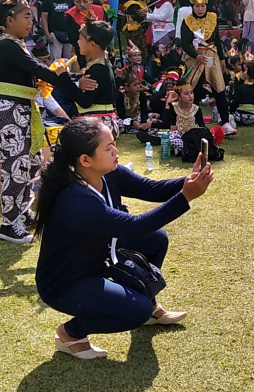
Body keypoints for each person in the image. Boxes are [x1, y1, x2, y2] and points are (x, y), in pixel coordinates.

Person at [35, 117, 214, 359]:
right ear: (85, 160)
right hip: (66, 284)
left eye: (114, 143)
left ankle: (148, 303)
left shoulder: (109, 173)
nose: (116, 151)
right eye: (108, 148)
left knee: (156, 239)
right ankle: (71, 333)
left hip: (97, 258)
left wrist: (188, 181)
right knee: (135, 312)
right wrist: (185, 197)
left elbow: (152, 189)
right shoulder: (74, 199)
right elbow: (135, 226)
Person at [0, 0, 76, 244]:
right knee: (15, 165)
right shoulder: (6, 46)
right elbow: (39, 71)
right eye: (26, 16)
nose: (31, 22)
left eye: (31, 17)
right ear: (9, 20)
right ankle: (8, 222)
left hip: (23, 110)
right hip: (8, 111)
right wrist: (64, 75)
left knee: (32, 164)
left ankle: (20, 213)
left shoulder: (17, 45)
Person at [180, 0, 236, 137]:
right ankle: (198, 123)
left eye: (203, 6)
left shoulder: (212, 17)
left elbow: (217, 39)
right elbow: (184, 44)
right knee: (194, 89)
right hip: (195, 57)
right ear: (192, 6)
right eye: (197, 6)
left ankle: (225, 123)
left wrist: (222, 58)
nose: (200, 9)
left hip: (212, 55)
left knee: (219, 88)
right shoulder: (187, 21)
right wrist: (196, 56)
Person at [58, 20, 120, 139]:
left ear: (92, 44)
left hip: (97, 125)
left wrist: (64, 77)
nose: (78, 42)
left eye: (80, 39)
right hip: (104, 122)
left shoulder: (97, 68)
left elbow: (84, 102)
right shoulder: (103, 65)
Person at [64, 0, 104, 68]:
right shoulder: (70, 15)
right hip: (82, 51)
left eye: (85, 1)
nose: (81, 5)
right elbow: (73, 39)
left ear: (91, 1)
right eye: (77, 2)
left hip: (101, 49)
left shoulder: (99, 10)